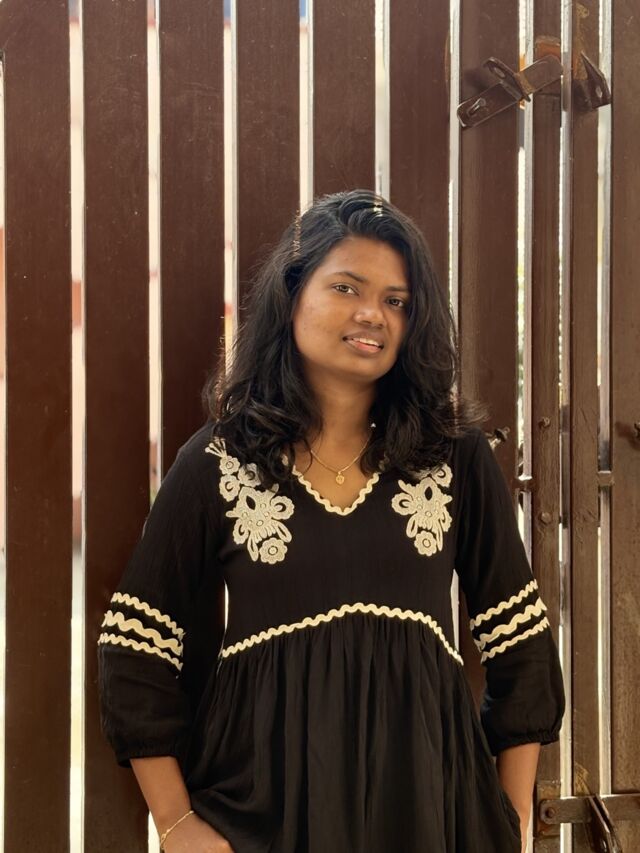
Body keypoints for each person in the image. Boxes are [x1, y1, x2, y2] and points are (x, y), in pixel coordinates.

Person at [97, 188, 565, 853]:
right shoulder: (218, 461)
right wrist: (176, 825)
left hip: (430, 815)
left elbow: (521, 644)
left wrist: (510, 817)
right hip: (261, 816)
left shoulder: (455, 457)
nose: (372, 313)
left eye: (397, 301)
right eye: (346, 287)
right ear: (292, 295)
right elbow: (135, 646)